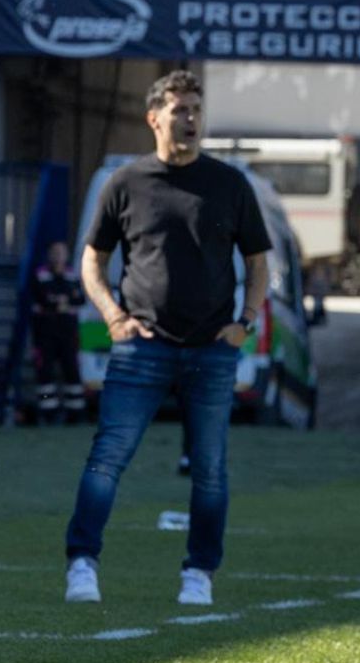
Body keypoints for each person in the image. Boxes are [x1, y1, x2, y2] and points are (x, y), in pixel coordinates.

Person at [63, 70, 271, 607]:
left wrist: (244, 322)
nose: (191, 119)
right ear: (153, 117)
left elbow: (257, 262)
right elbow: (93, 259)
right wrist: (112, 315)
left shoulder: (229, 184)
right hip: (141, 345)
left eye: (196, 110)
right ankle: (82, 564)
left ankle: (198, 573)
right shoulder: (125, 183)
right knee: (108, 456)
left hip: (212, 349)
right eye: (180, 110)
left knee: (210, 469)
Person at [28, 241, 86, 424]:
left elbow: (80, 299)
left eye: (61, 252)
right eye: (54, 252)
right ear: (49, 254)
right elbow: (43, 298)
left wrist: (60, 301)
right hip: (45, 331)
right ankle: (48, 413)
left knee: (72, 370)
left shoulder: (72, 275)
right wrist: (61, 301)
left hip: (68, 332)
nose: (58, 256)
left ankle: (75, 413)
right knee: (45, 371)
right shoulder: (40, 275)